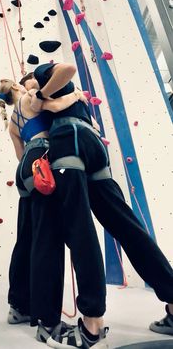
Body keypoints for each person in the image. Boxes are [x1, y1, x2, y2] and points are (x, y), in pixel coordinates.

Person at [19, 62, 173, 348]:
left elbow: (65, 68)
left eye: (30, 83)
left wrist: (42, 97)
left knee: (80, 231)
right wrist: (63, 100)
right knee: (127, 226)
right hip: (93, 145)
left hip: (69, 144)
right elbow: (76, 108)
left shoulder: (41, 83)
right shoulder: (73, 96)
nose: (30, 90)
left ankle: (92, 325)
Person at [0, 78, 87, 341]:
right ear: (16, 88)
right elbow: (57, 106)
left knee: (26, 238)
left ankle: (19, 306)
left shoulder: (12, 122)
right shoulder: (29, 97)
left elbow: (19, 153)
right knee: (48, 238)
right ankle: (48, 320)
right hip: (43, 159)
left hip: (25, 168)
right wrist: (76, 96)